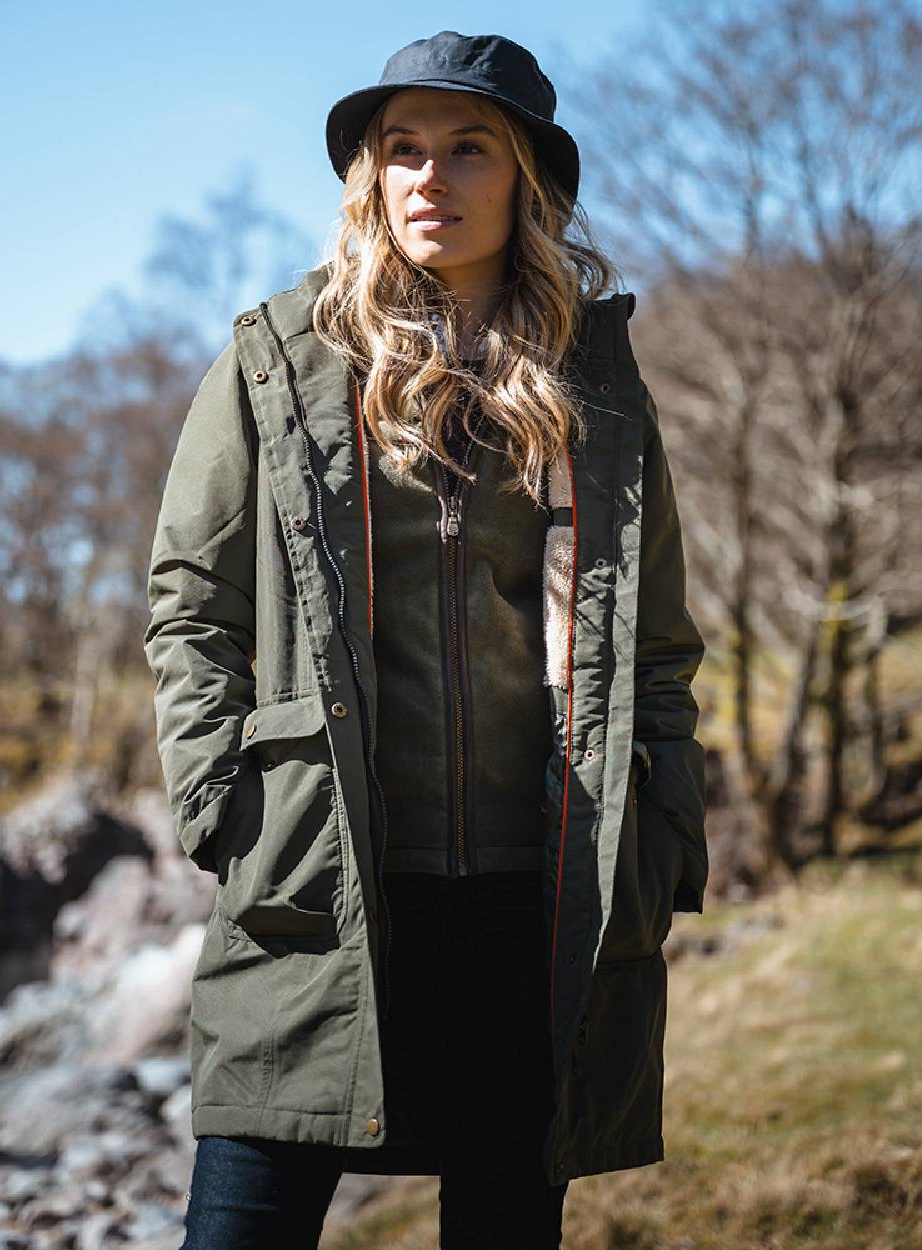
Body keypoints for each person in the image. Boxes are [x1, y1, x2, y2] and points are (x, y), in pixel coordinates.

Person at [144, 28, 709, 1250]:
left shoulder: (597, 389)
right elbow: (191, 600)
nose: (427, 178)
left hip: (535, 895)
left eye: (468, 150)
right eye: (401, 149)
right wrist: (223, 807)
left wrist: (660, 837)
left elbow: (658, 647)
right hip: (316, 875)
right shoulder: (276, 365)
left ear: (528, 183)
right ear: (369, 176)